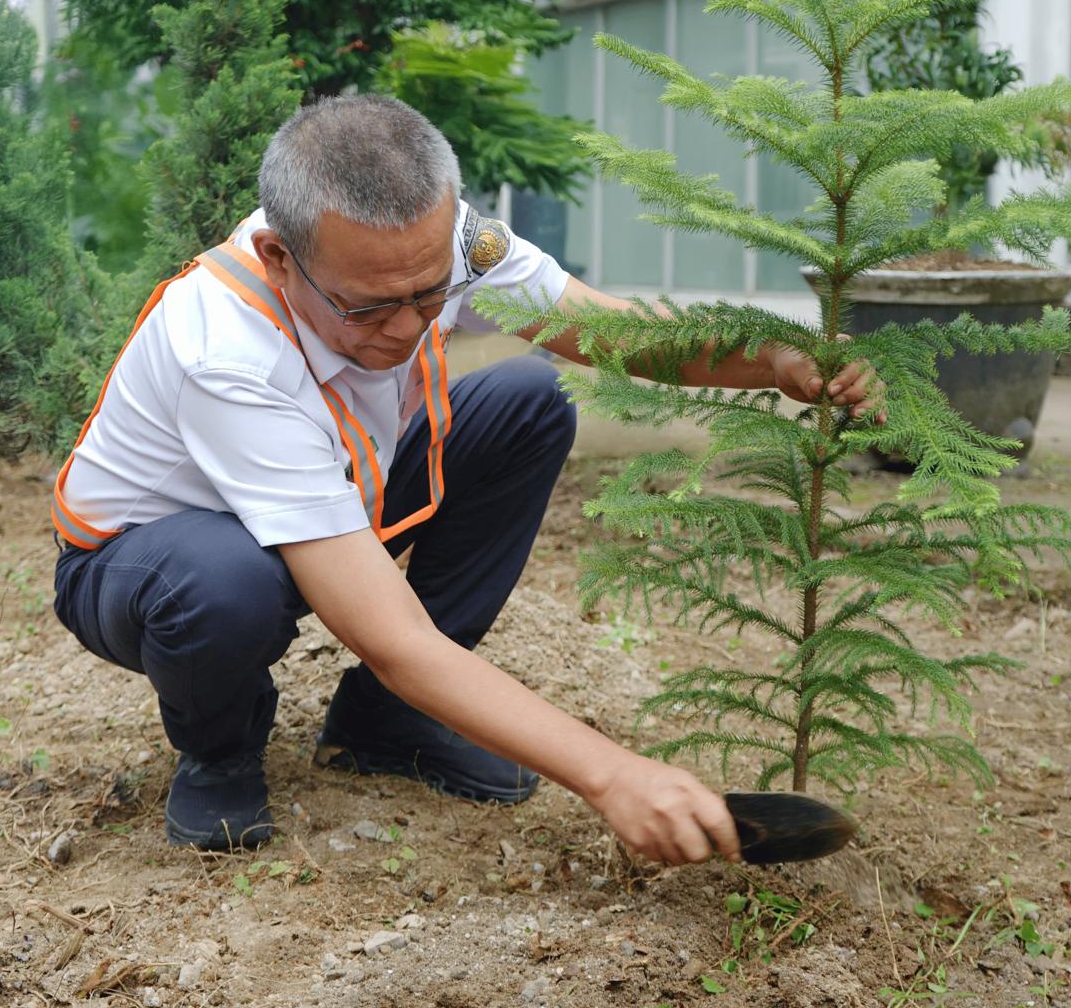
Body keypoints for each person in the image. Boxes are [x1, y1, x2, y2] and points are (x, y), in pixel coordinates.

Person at [50, 96, 882, 862]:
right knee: (220, 582)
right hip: (146, 564)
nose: (411, 327)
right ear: (277, 256)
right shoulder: (223, 353)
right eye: (371, 308)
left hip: (336, 493)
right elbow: (392, 634)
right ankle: (219, 752)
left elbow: (603, 330)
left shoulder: (440, 241)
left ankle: (384, 722)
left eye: (430, 293)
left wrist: (771, 357)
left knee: (528, 398)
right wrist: (610, 775)